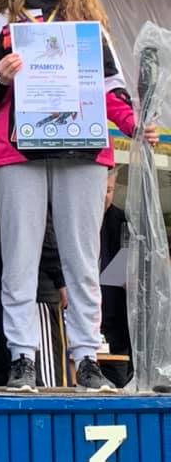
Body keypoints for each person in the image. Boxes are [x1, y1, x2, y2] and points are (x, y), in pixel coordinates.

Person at [0, 0, 158, 391]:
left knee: (82, 259)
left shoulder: (86, 23)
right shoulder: (4, 22)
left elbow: (112, 87)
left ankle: (87, 357)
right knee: (20, 258)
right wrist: (1, 76)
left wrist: (135, 127)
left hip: (82, 148)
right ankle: (22, 357)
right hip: (18, 152)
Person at [0, 117, 68, 387]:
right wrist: (61, 277)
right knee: (40, 389)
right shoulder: (21, 147)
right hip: (32, 290)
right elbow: (39, 223)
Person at [99, 166, 133, 387]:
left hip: (114, 328)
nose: (105, 196)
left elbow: (119, 277)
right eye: (101, 189)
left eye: (109, 190)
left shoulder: (122, 222)